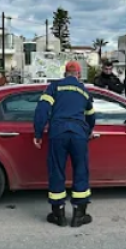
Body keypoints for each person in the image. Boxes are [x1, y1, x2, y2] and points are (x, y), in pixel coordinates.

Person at [33, 61, 96, 228]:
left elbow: (41, 110)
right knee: (81, 171)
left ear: (64, 73)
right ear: (79, 74)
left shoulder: (54, 87)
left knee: (56, 170)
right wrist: (88, 130)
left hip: (58, 133)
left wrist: (38, 133)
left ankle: (58, 215)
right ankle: (79, 216)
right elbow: (91, 116)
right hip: (78, 135)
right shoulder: (84, 91)